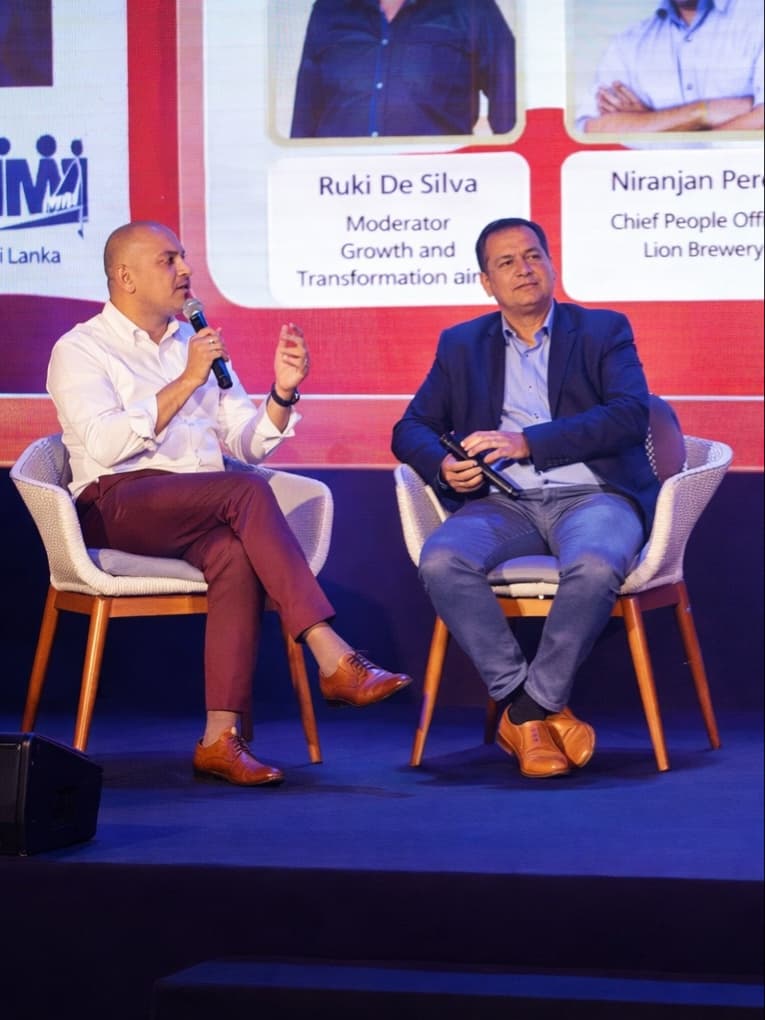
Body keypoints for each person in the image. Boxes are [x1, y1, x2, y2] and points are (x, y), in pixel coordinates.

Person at [46, 220, 412, 787]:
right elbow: (104, 446)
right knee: (245, 491)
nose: (186, 270)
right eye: (168, 260)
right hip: (116, 503)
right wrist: (188, 379)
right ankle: (331, 654)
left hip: (199, 506)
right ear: (125, 277)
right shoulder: (81, 348)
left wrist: (282, 393)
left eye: (184, 257)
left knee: (235, 555)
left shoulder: (193, 341)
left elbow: (245, 441)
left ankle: (220, 738)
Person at [392, 217, 660, 779]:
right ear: (486, 282)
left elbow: (631, 416)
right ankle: (531, 707)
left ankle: (528, 710)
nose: (524, 269)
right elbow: (410, 427)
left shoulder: (603, 330)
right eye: (507, 262)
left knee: (593, 563)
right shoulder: (462, 344)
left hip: (593, 494)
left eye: (533, 255)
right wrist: (444, 466)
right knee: (442, 559)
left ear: (551, 263)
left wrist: (526, 442)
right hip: (503, 502)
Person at [289, 0, 516, 138]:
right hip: (341, 187)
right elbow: (305, 114)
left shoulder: (473, 8)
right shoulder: (327, 10)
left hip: (440, 187)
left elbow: (509, 108)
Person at [575, 0, 764, 134]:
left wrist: (652, 123)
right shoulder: (628, 43)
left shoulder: (758, 18)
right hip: (656, 186)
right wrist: (700, 112)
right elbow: (592, 127)